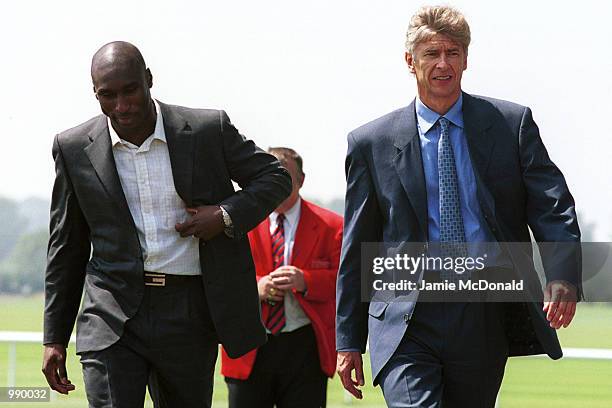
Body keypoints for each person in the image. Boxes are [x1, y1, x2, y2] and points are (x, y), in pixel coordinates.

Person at [335, 6, 582, 407]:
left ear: (467, 59)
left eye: (453, 52)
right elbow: (357, 243)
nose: (443, 63)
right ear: (410, 61)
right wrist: (348, 340)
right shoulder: (370, 143)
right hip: (404, 318)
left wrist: (562, 274)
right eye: (432, 53)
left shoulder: (510, 124)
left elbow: (551, 204)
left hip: (483, 310)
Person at [41, 41, 292, 408]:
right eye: (107, 95)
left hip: (189, 310)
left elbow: (275, 178)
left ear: (148, 79)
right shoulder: (73, 147)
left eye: (130, 90)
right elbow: (66, 249)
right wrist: (54, 338)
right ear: (94, 93)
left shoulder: (207, 129)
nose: (122, 106)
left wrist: (222, 216)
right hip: (111, 313)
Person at [220, 147, 343, 408]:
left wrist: (306, 280)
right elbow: (220, 278)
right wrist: (257, 287)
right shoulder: (238, 222)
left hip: (305, 346)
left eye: (285, 175)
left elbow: (346, 282)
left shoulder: (332, 225)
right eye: (270, 175)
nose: (277, 181)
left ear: (301, 180)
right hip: (249, 345)